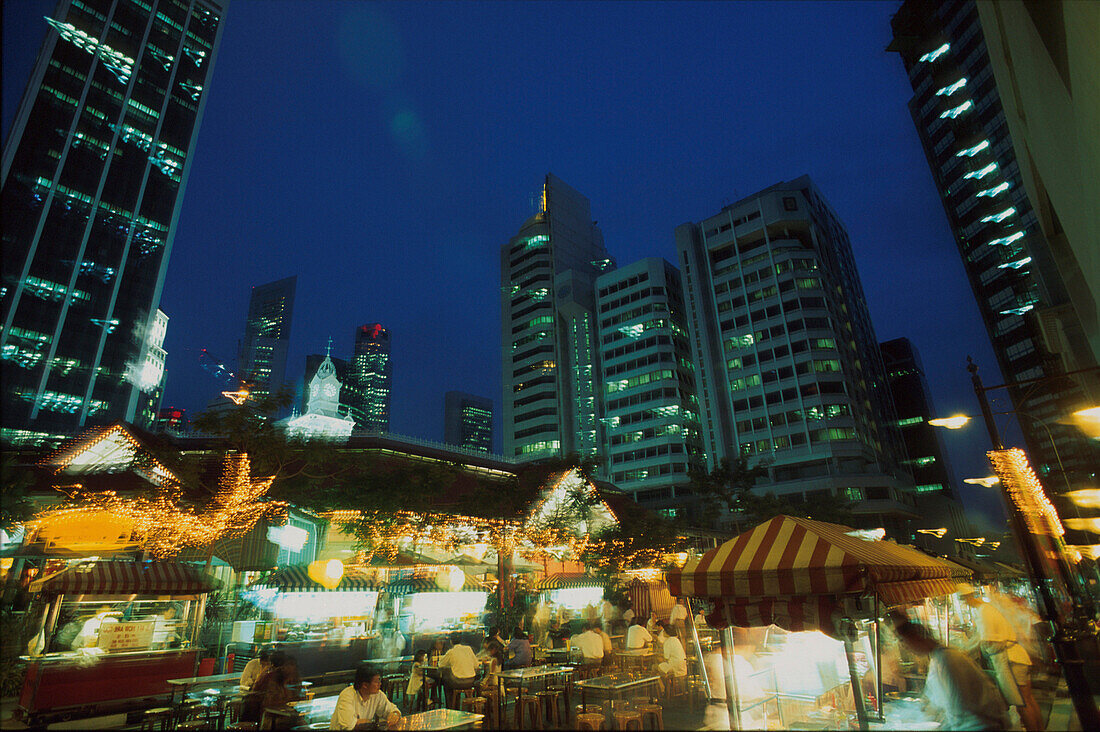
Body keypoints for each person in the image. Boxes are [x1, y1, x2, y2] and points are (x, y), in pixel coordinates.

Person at [893, 616, 1006, 731]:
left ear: (916, 636)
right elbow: (931, 704)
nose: (904, 647)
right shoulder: (937, 659)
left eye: (903, 640)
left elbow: (959, 707)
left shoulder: (947, 660)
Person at [961, 587, 1042, 731]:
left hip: (1011, 660)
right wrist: (966, 649)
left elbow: (985, 640)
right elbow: (981, 637)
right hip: (1017, 657)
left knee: (1022, 703)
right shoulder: (985, 608)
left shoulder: (984, 610)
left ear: (968, 597)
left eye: (963, 598)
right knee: (1027, 699)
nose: (964, 602)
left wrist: (964, 652)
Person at [330, 665, 401, 730]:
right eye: (376, 681)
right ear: (365, 685)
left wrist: (394, 714)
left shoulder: (377, 694)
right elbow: (348, 725)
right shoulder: (347, 695)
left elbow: (391, 710)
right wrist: (368, 722)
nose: (380, 684)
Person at [438, 639, 478, 706]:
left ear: (451, 641)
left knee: (446, 682)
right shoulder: (468, 649)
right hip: (471, 681)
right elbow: (476, 665)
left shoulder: (451, 652)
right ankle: (466, 706)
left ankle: (451, 706)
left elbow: (441, 664)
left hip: (457, 682)